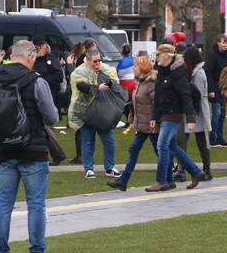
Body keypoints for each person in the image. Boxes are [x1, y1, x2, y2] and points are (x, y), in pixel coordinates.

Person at [0, 39, 61, 253]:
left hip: (3, 148)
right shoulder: (36, 81)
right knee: (36, 204)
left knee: (4, 204)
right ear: (30, 56)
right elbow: (51, 117)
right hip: (33, 148)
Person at [148, 43, 203, 192]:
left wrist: (190, 118)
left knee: (162, 145)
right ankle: (196, 172)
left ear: (166, 55)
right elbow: (158, 95)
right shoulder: (162, 70)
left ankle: (161, 180)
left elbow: (185, 95)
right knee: (171, 146)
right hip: (164, 113)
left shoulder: (178, 72)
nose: (156, 57)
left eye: (158, 55)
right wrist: (154, 115)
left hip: (173, 113)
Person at [107, 55, 159, 191]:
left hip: (151, 124)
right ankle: (123, 181)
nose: (133, 68)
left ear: (142, 68)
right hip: (141, 124)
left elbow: (156, 104)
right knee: (133, 150)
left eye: (135, 66)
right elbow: (135, 102)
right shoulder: (139, 82)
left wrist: (154, 119)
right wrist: (131, 118)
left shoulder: (152, 82)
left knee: (160, 151)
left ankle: (172, 175)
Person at [69, 48, 121, 179]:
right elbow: (81, 86)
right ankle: (89, 169)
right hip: (86, 111)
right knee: (88, 141)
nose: (97, 63)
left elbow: (115, 81)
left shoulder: (104, 68)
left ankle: (109, 168)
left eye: (99, 60)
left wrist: (108, 80)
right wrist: (97, 87)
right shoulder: (80, 71)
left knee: (109, 141)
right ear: (87, 60)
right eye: (94, 61)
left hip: (103, 112)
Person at [183, 46, 213, 180]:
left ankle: (207, 169)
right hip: (194, 110)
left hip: (198, 111)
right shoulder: (194, 72)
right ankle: (182, 168)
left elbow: (199, 95)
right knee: (184, 141)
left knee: (201, 141)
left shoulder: (199, 73)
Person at [206, 34, 227, 146]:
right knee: (216, 113)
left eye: (226, 43)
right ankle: (213, 137)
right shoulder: (212, 55)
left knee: (222, 114)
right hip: (215, 88)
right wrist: (211, 89)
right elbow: (209, 72)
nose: (225, 45)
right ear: (218, 43)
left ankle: (220, 137)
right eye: (223, 42)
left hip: (224, 88)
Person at [32, 36, 65, 104]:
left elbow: (59, 76)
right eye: (37, 47)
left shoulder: (50, 59)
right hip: (34, 93)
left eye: (41, 46)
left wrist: (41, 80)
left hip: (50, 94)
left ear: (45, 46)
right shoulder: (31, 59)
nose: (39, 49)